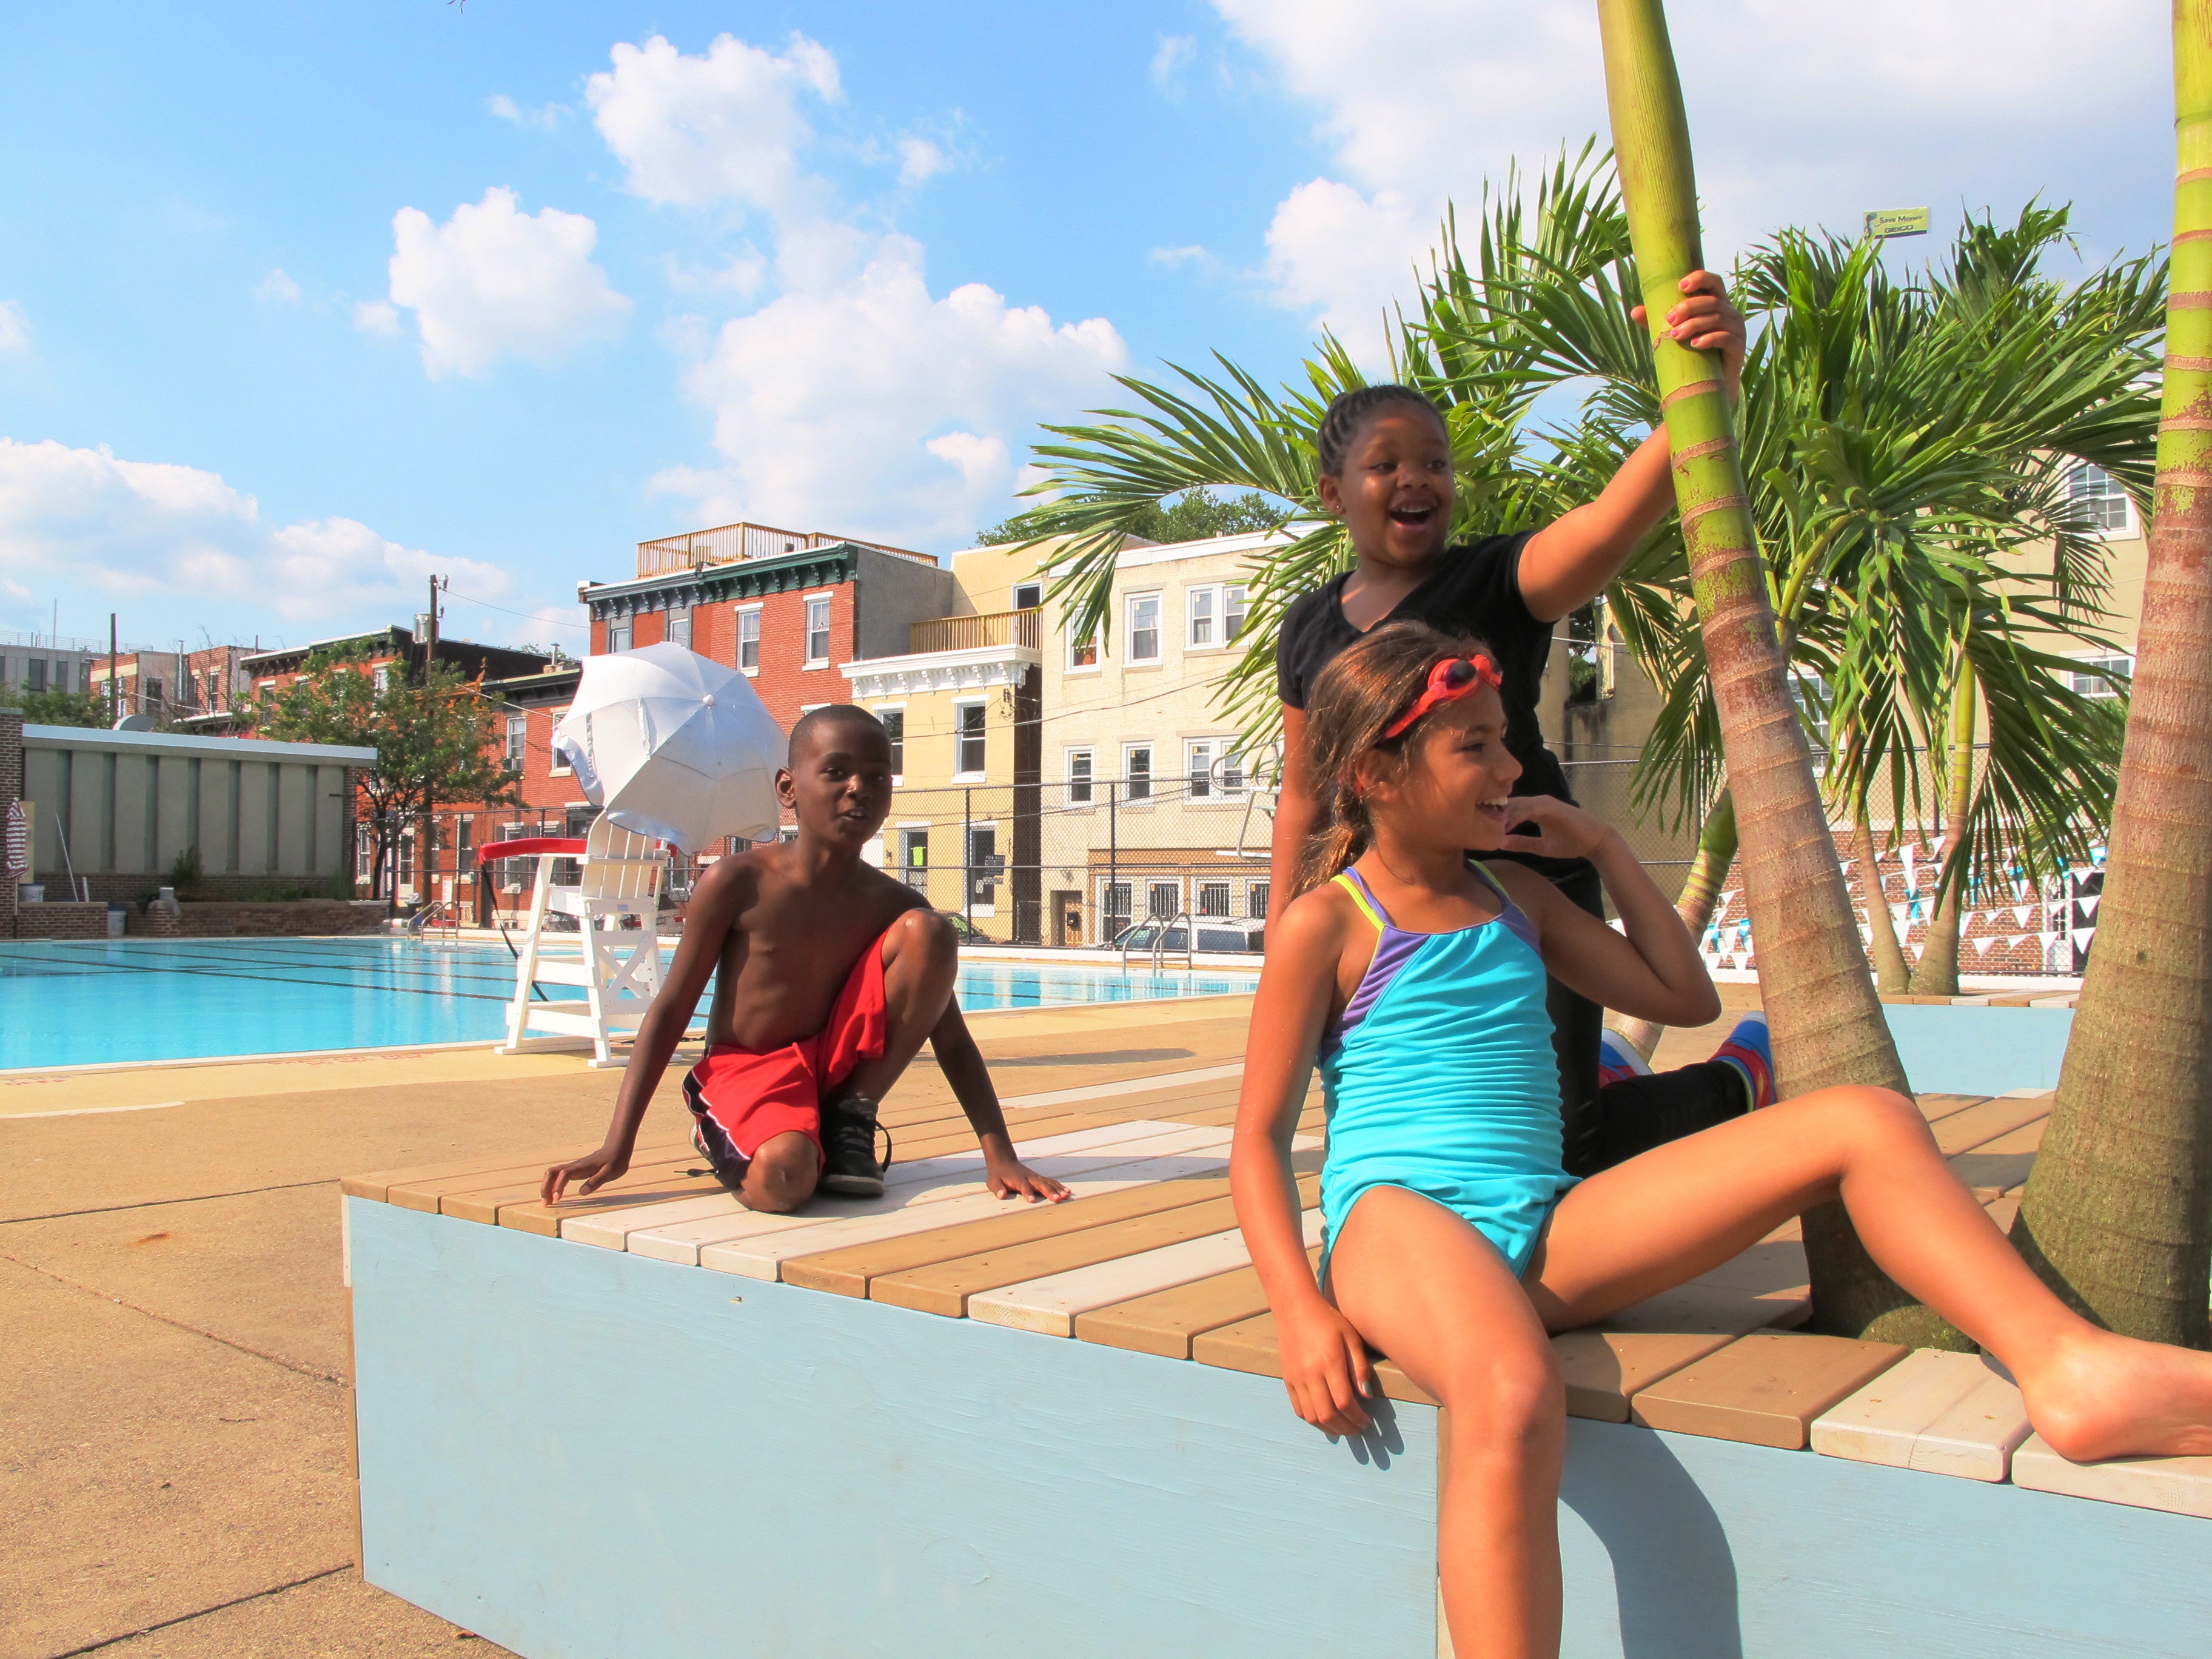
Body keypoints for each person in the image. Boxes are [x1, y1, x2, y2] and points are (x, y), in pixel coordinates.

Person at [1233, 623, 2212, 1659]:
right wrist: (1298, 1308)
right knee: (1511, 1389)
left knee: (1861, 1121)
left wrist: (1602, 851)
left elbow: (1680, 997)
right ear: (1375, 772)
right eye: (1472, 745)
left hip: (1544, 1221)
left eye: (1504, 739)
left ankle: (2066, 1368)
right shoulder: (1328, 923)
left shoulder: (1517, 898)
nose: (1511, 766)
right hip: (1400, 1221)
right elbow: (1255, 1140)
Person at [1270, 270, 1768, 1176]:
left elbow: (1615, 522)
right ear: (1332, 492)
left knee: (1568, 1147)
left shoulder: (1504, 579)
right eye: (1385, 464)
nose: (1417, 479)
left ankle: (1735, 1082)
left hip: (1525, 883)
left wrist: (1709, 389)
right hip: (1387, 908)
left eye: (1435, 463)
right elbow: (1303, 790)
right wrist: (1282, 931)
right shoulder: (1308, 625)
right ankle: (1600, 1069)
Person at [543, 705, 1069, 1213]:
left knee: (931, 932)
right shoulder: (737, 882)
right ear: (788, 788)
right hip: (748, 1072)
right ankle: (729, 1135)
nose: (858, 788)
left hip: (835, 1070)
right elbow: (672, 1007)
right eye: (836, 772)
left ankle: (850, 1117)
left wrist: (1000, 1154)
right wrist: (620, 1142)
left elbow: (950, 1037)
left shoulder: (896, 905)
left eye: (877, 776)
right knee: (786, 1180)